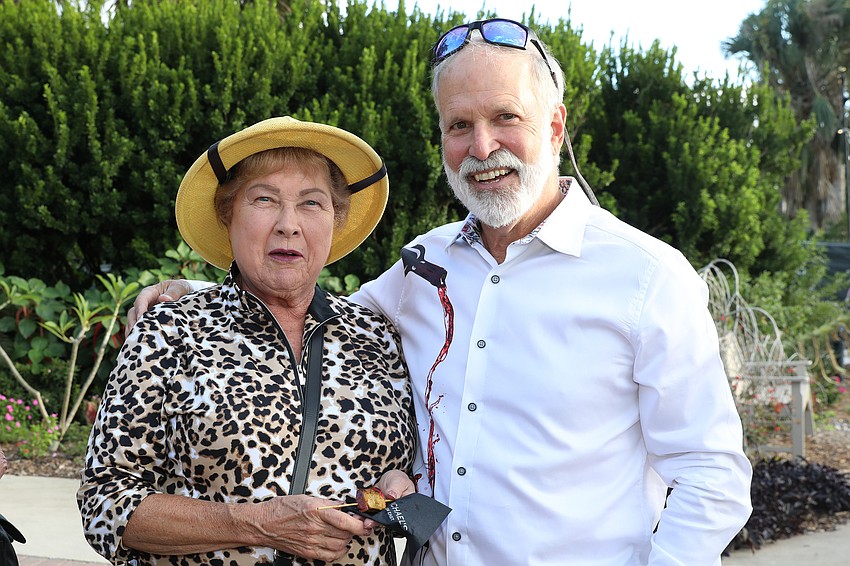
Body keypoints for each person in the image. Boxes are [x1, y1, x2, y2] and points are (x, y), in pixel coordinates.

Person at [128, 18, 753, 565]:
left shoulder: (647, 276)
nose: (482, 147)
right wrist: (198, 291)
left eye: (506, 117)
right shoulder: (425, 264)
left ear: (556, 127)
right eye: (459, 125)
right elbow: (309, 311)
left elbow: (710, 474)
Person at [78, 117, 418, 565]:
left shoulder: (376, 338)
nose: (288, 225)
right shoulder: (169, 330)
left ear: (336, 219)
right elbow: (104, 505)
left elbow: (411, 474)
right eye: (264, 200)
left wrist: (401, 488)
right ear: (227, 214)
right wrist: (259, 523)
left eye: (312, 203)